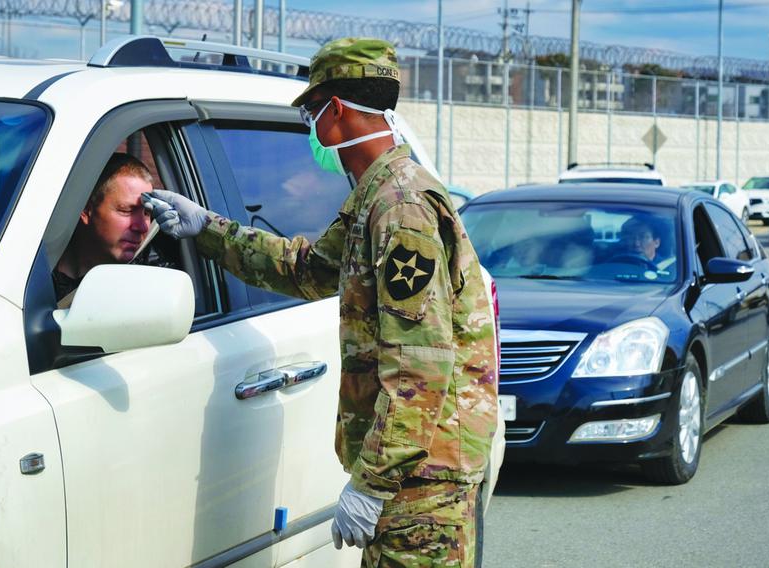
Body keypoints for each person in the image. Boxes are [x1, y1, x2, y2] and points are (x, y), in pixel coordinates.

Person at [142, 37, 498, 567]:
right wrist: (206, 228)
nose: (310, 127)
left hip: (422, 480)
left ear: (334, 112)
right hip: (416, 470)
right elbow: (308, 270)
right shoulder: (376, 197)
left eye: (310, 112)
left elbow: (421, 365)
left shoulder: (400, 208)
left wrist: (373, 484)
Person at [53, 152, 153, 301]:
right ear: (86, 210)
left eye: (147, 213)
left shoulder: (152, 272)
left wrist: (201, 227)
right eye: (126, 210)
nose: (143, 227)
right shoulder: (31, 276)